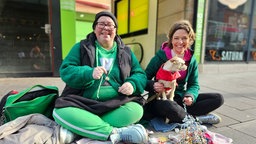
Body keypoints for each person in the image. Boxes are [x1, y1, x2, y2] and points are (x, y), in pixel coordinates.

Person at [52, 11, 148, 144]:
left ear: (115, 30)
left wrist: (132, 83)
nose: (105, 28)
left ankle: (80, 129)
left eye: (110, 25)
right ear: (94, 28)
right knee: (59, 112)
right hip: (82, 102)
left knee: (136, 110)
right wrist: (88, 73)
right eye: (101, 24)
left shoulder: (126, 51)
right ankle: (115, 133)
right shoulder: (81, 47)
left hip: (115, 103)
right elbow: (65, 70)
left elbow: (140, 73)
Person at [142, 20, 224, 125]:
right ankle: (196, 119)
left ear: (190, 40)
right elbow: (143, 78)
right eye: (176, 38)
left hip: (180, 98)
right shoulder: (160, 57)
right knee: (169, 106)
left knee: (218, 98)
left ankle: (180, 115)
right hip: (161, 99)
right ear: (171, 39)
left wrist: (190, 96)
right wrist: (153, 85)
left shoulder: (191, 60)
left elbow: (194, 84)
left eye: (184, 38)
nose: (180, 42)